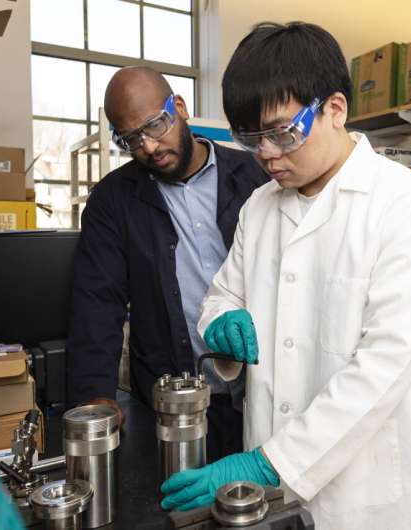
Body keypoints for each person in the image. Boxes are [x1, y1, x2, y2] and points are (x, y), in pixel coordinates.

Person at [160, 22, 411, 530]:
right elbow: (222, 294)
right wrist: (223, 321)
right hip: (270, 477)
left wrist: (269, 464)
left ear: (335, 109)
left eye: (283, 133)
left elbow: (382, 369)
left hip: (368, 492)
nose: (267, 154)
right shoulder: (259, 207)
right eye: (251, 139)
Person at [66, 67, 269, 462]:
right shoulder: (112, 201)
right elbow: (97, 302)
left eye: (155, 125)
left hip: (260, 390)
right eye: (131, 139)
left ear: (179, 107)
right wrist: (96, 394)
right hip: (172, 405)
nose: (149, 146)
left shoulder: (256, 177)